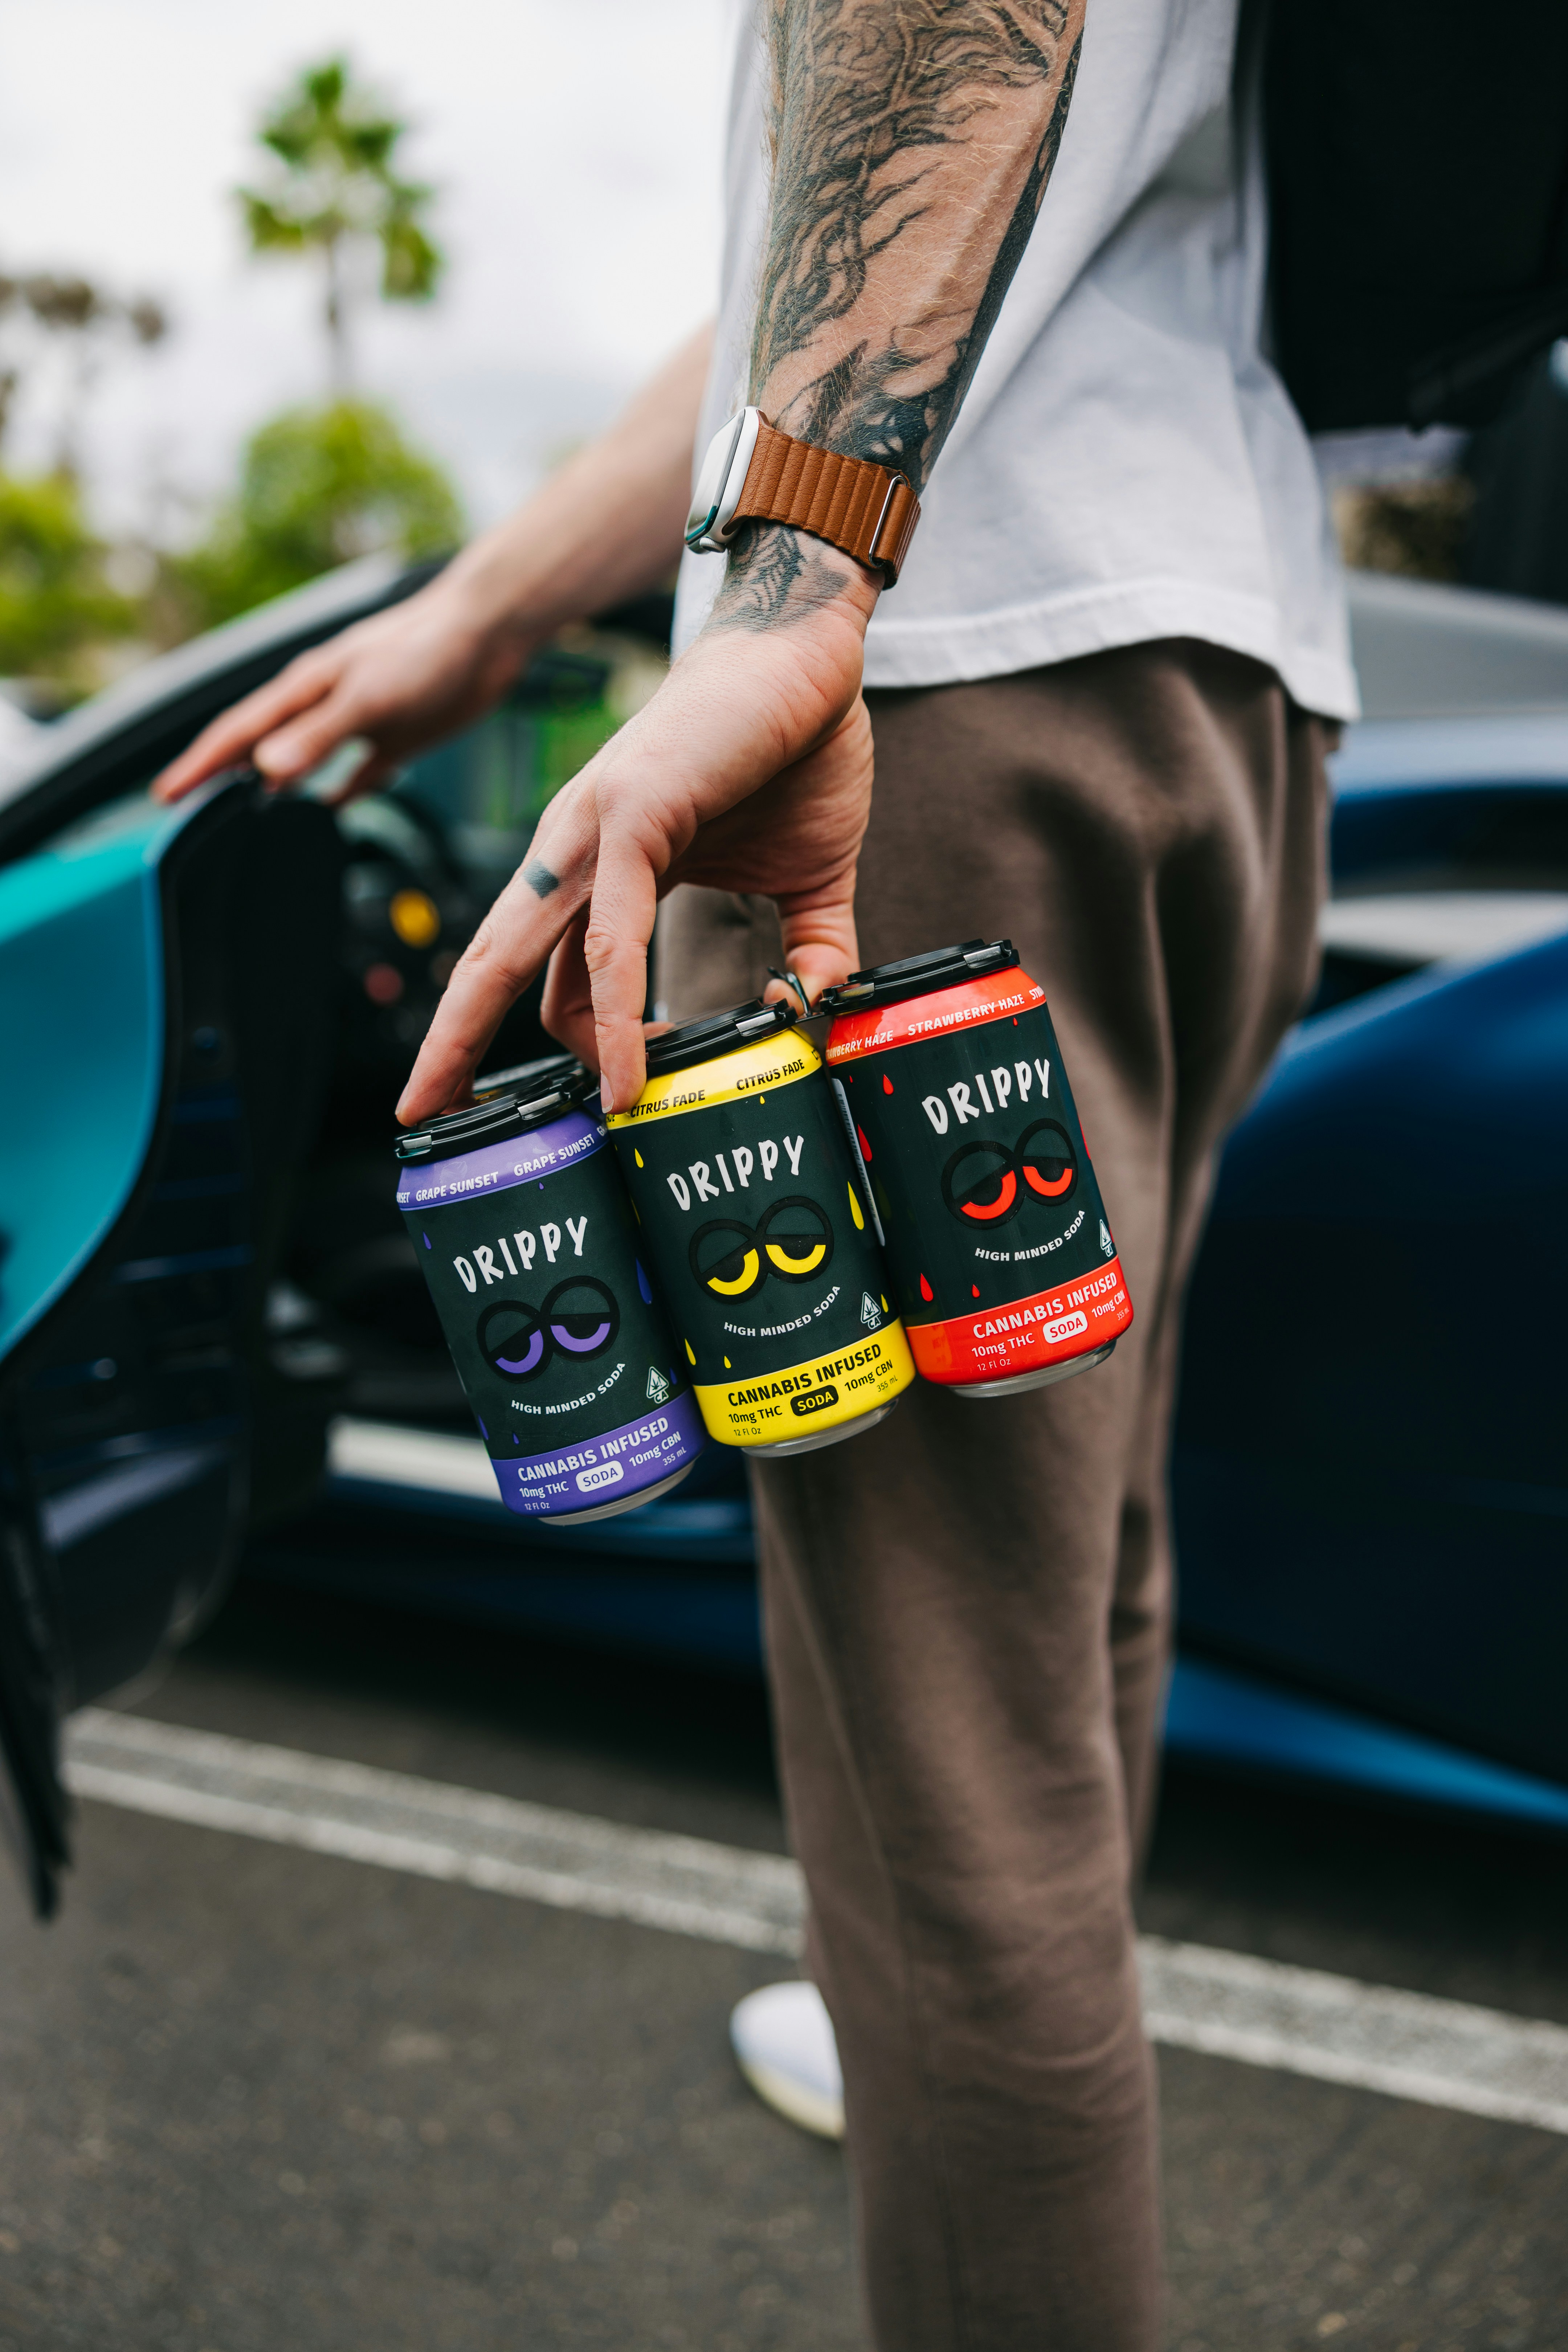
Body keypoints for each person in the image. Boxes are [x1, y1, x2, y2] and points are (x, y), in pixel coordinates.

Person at [157, 0, 1356, 2340]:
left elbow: (931, 65)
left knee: (955, 1828)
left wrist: (794, 593)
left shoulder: (869, 602)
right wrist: (492, 608)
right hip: (1221, 686)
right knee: (1078, 1621)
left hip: (936, 706)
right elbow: (856, 231)